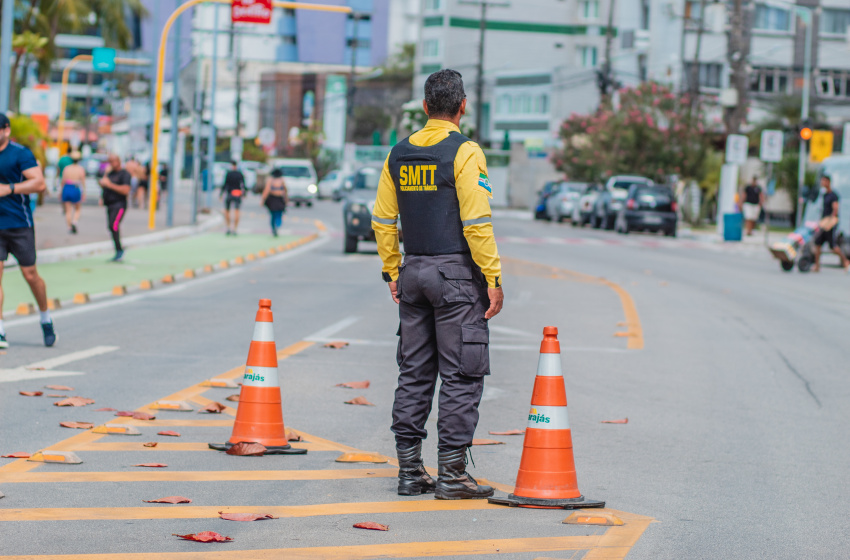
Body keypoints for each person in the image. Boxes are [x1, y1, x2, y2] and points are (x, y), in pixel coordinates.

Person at [371, 69, 504, 500]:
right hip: (457, 279)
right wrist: (494, 278)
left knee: (414, 372)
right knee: (462, 374)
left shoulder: (399, 153)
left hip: (414, 273)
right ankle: (451, 475)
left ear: (426, 107)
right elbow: (477, 223)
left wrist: (393, 271)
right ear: (462, 106)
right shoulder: (464, 152)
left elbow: (381, 220)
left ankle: (410, 472)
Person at [0, 113, 56, 348]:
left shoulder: (20, 154)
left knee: (30, 275)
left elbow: (39, 183)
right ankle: (0, 330)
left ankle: (45, 317)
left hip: (19, 224)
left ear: (6, 130)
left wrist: (9, 189)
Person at [99, 154, 132, 261]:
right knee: (111, 227)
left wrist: (110, 185)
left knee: (114, 225)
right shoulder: (110, 174)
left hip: (120, 204)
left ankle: (119, 250)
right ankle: (118, 249)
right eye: (110, 161)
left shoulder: (124, 174)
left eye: (113, 161)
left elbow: (126, 190)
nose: (111, 163)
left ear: (118, 161)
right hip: (110, 204)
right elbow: (105, 184)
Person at [813, 175, 849, 273]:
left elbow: (835, 209)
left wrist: (831, 221)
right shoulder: (825, 195)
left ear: (828, 182)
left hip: (830, 224)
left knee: (833, 246)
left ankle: (846, 262)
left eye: (824, 181)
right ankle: (817, 266)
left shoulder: (833, 195)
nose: (822, 183)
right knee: (818, 244)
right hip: (824, 223)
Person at [60, 151, 86, 234]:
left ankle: (69, 227)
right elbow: (83, 182)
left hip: (67, 187)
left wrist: (60, 191)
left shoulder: (67, 168)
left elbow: (63, 181)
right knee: (78, 208)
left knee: (68, 210)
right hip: (75, 187)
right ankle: (74, 221)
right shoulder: (80, 169)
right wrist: (84, 192)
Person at [220, 161, 246, 235]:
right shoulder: (240, 174)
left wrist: (221, 194)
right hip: (237, 194)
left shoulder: (228, 174)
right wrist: (244, 194)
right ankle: (235, 229)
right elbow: (243, 185)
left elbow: (225, 185)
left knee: (227, 211)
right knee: (237, 211)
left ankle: (228, 227)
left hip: (229, 194)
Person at [261, 168, 288, 237]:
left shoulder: (270, 180)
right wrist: (286, 199)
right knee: (279, 214)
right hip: (279, 199)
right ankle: (277, 226)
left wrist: (263, 200)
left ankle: (274, 228)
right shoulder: (282, 180)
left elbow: (266, 191)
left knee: (273, 215)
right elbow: (285, 191)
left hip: (272, 199)